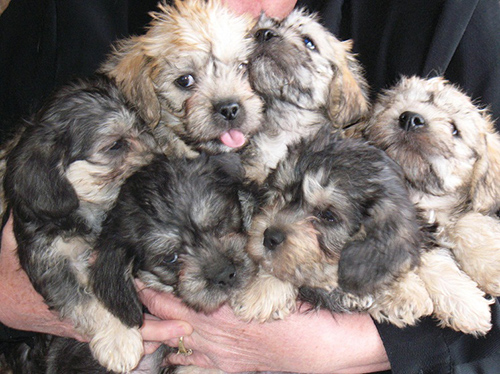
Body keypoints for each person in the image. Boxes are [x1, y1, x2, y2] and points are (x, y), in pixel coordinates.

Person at [1, 1, 500, 373]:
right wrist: (36, 296)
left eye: (238, 69)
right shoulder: (66, 14)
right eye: (187, 82)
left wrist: (357, 347)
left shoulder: (460, 18)